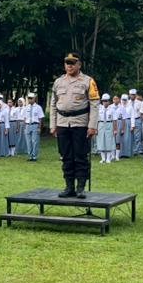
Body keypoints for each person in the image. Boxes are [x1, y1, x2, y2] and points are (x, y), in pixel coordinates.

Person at [49, 52, 99, 198]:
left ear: (79, 64)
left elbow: (94, 104)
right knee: (66, 156)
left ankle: (80, 187)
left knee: (80, 156)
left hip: (80, 123)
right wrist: (53, 124)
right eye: (67, 63)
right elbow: (53, 104)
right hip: (62, 123)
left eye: (72, 63)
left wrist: (92, 125)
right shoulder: (58, 82)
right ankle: (69, 186)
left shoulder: (88, 81)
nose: (69, 66)